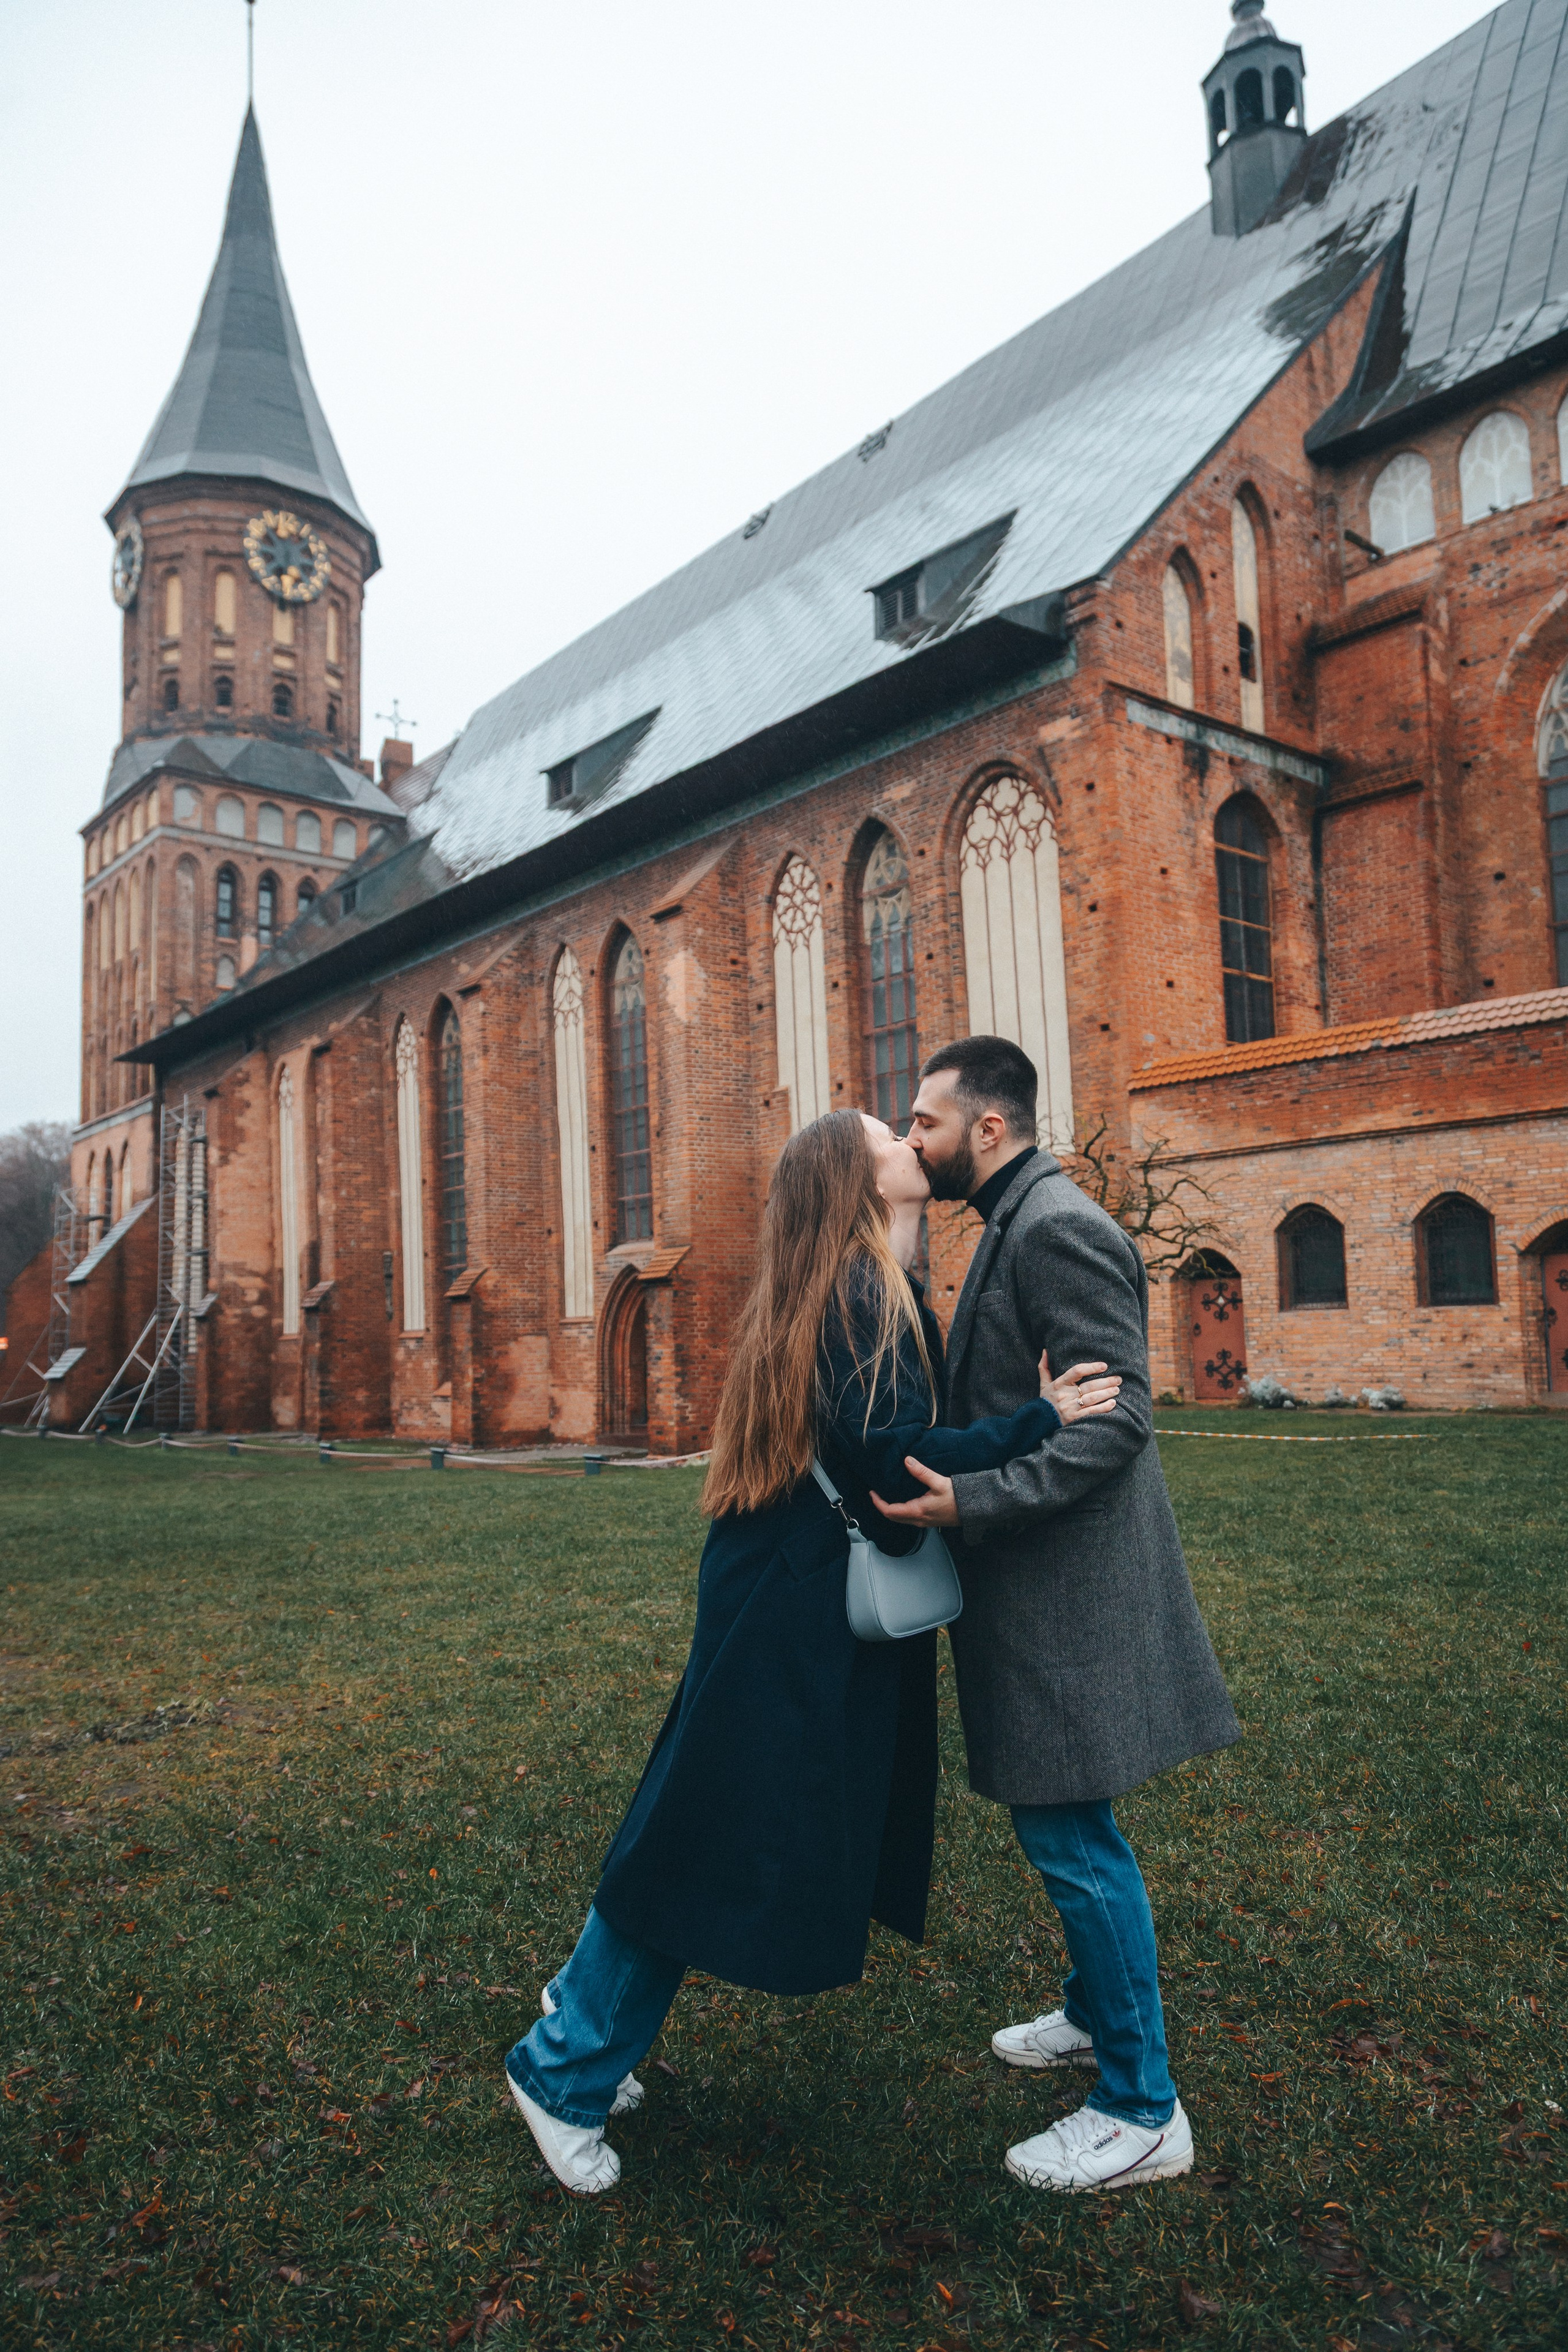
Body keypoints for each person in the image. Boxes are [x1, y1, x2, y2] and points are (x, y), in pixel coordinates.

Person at [504, 1105, 1123, 2194]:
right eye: (889, 1137)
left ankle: (580, 2026)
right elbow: (895, 1468)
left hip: (782, 1595)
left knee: (698, 1819)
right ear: (857, 1180)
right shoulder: (860, 1296)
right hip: (792, 1614)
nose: (910, 1143)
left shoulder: (855, 1284)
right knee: (706, 1832)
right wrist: (1040, 1419)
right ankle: (563, 2070)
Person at [875, 1035, 1240, 2195]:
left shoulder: (1056, 1227)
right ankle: (1094, 2013)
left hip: (1066, 1596)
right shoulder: (1012, 1217)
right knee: (1071, 1819)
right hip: (1032, 1589)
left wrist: (972, 1500)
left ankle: (1140, 2108)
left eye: (926, 1121)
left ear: (988, 1127)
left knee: (1072, 1839)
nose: (913, 1138)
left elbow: (1118, 1419)